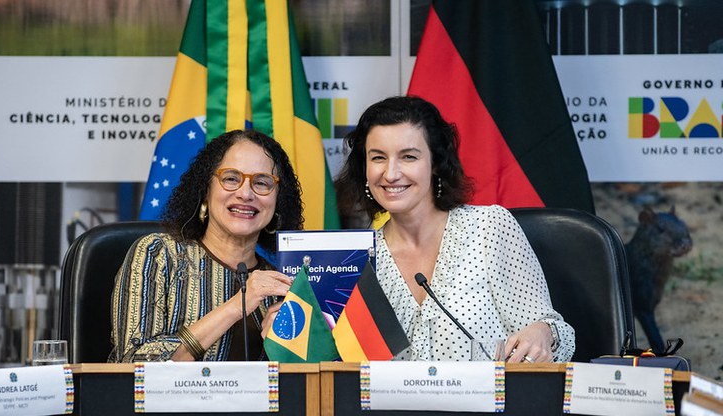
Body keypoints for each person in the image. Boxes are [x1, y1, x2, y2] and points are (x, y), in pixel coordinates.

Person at [334, 96, 575, 363]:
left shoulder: (489, 227)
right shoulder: (354, 260)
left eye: (408, 157)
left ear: (436, 163)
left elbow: (555, 331)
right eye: (378, 158)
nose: (391, 174)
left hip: (491, 391)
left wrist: (542, 333)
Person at [108, 129, 302, 362]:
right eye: (231, 179)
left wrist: (283, 351)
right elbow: (133, 362)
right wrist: (237, 305)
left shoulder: (281, 284)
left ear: (278, 201)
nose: (245, 194)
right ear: (206, 190)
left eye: (262, 183)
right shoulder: (158, 254)